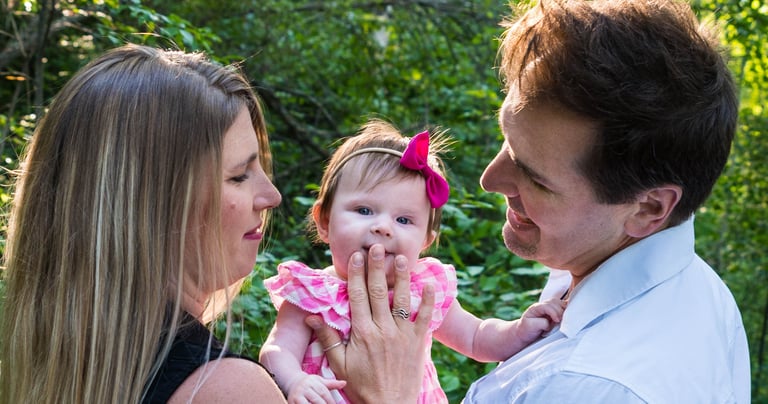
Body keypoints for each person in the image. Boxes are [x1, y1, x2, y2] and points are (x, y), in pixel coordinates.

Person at [306, 0, 752, 402]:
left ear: (648, 208)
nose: (489, 179)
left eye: (535, 177)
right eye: (507, 141)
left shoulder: (591, 388)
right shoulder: (682, 286)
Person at [0, 43, 291, 403]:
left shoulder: (41, 368)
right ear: (157, 207)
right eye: (238, 176)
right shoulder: (225, 390)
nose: (271, 195)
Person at [258, 119, 566, 403]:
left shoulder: (423, 291)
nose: (383, 227)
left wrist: (519, 330)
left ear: (426, 241)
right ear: (324, 221)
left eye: (404, 219)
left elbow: (476, 337)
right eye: (364, 210)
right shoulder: (312, 297)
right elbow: (276, 350)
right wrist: (295, 380)